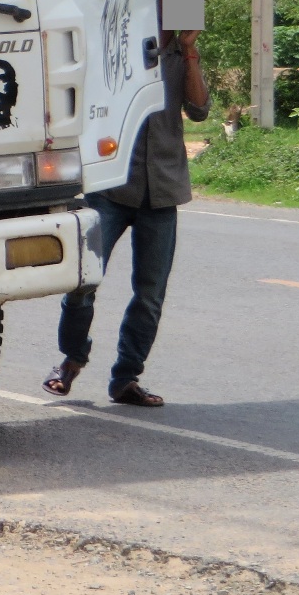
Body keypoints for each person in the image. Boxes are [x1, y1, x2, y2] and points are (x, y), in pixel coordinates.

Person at [43, 28, 208, 407]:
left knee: (150, 294)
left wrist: (190, 50)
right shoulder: (117, 44)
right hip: (111, 184)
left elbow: (200, 110)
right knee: (83, 279)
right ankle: (71, 360)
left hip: (163, 188)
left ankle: (126, 378)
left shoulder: (183, 57)